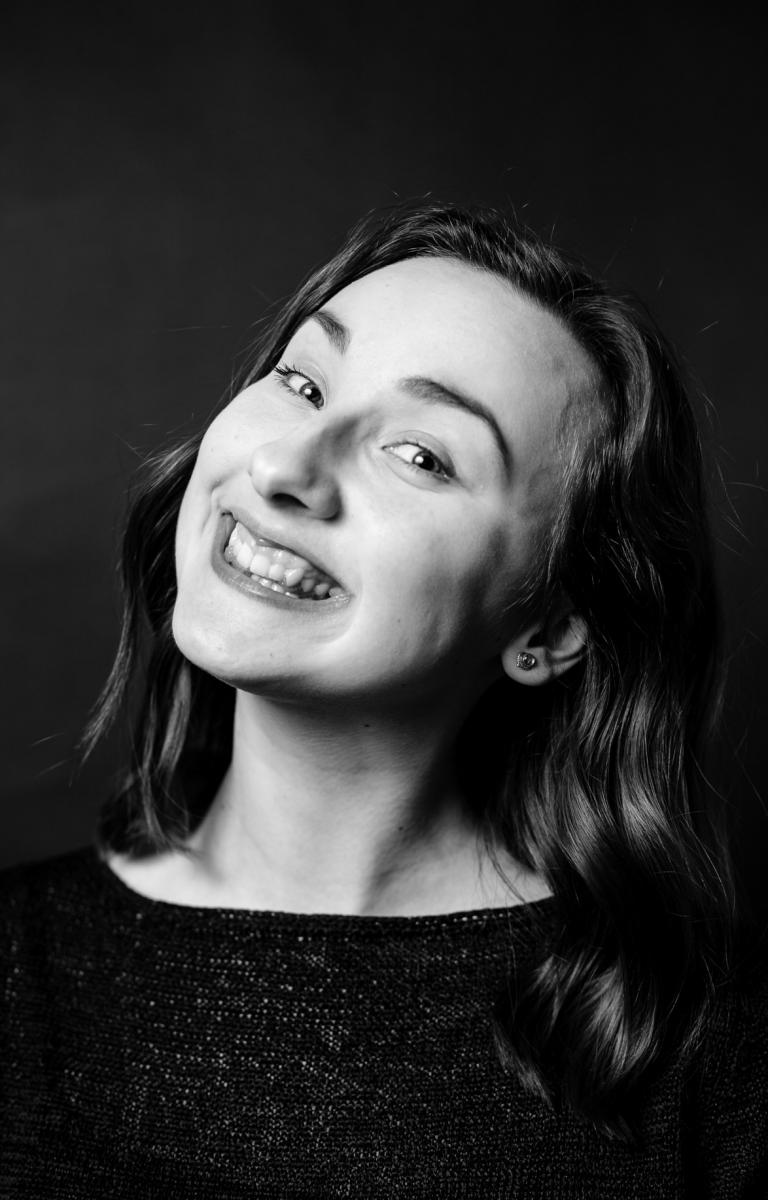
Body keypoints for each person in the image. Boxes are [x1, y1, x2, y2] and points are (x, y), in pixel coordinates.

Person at [1, 201, 766, 1197]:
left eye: (420, 456)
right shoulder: (17, 968)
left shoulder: (711, 1051)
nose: (284, 468)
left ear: (549, 629)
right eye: (302, 383)